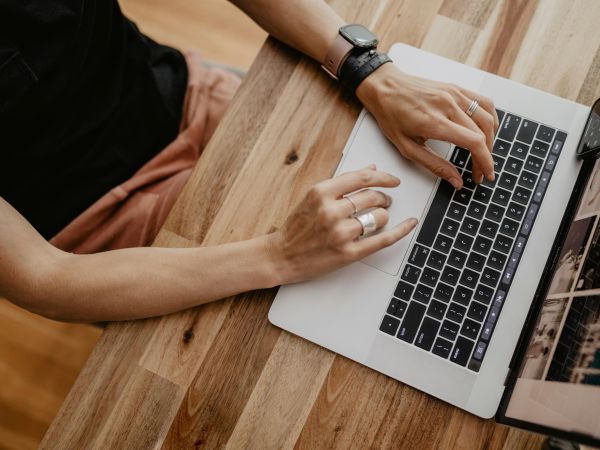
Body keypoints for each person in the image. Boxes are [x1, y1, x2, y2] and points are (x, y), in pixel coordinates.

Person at [0, 0, 497, 322]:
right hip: (103, 226)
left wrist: (366, 68)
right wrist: (279, 256)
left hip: (182, 93)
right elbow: (43, 278)